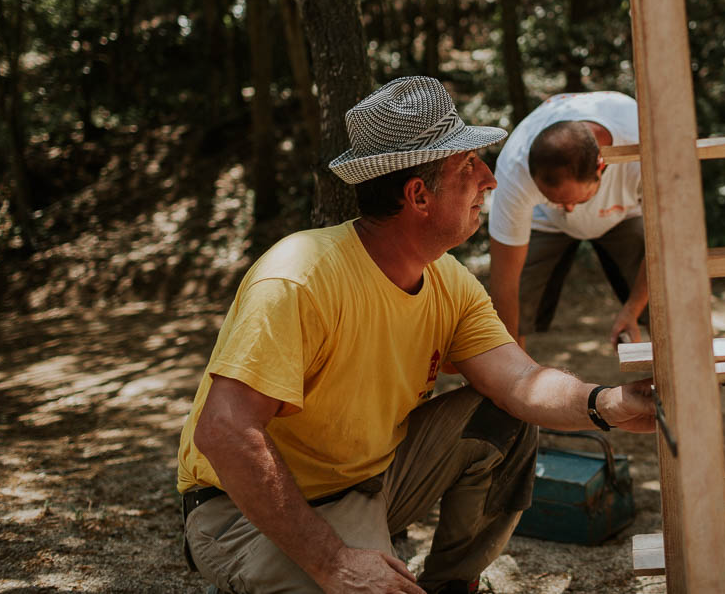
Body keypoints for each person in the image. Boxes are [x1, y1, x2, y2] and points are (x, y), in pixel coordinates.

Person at [176, 76, 656, 594]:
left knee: (505, 418)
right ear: (418, 194)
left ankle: (452, 584)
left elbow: (521, 384)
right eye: (468, 166)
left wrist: (606, 403)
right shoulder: (299, 277)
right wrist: (334, 561)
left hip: (366, 486)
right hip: (243, 515)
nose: (490, 179)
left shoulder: (449, 281)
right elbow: (224, 430)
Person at [487, 91, 647, 348]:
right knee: (517, 301)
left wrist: (632, 309)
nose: (570, 210)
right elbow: (505, 283)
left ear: (600, 165)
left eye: (577, 200)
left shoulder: (641, 140)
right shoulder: (514, 169)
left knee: (664, 291)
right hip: (545, 221)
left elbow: (667, 246)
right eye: (557, 200)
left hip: (624, 211)